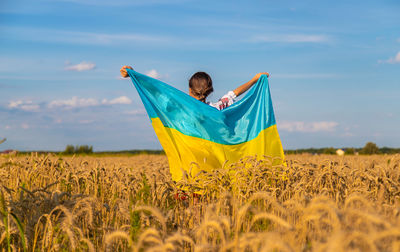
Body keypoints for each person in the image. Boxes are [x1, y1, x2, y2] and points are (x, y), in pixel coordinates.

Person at [120, 66, 269, 110]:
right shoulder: (218, 107)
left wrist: (134, 75)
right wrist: (255, 79)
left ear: (190, 89)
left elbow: (158, 92)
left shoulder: (181, 108)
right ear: (210, 90)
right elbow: (235, 93)